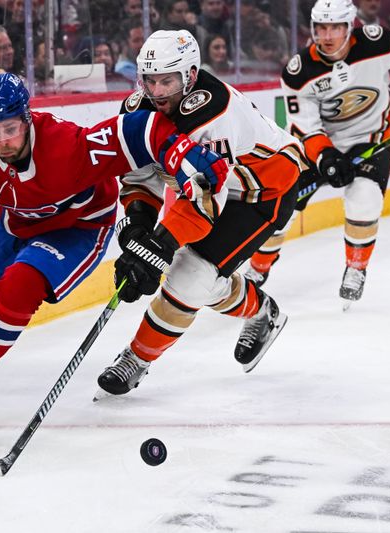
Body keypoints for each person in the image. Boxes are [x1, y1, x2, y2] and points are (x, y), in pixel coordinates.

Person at [0, 73, 232, 401]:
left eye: (10, 128)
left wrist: (186, 159)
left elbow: (138, 130)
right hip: (16, 216)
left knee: (21, 284)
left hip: (77, 228)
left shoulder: (68, 148)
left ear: (27, 119)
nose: (2, 141)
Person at [95, 29, 307, 397]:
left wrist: (156, 249)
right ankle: (261, 311)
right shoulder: (136, 109)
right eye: (150, 80)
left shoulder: (213, 114)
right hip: (210, 189)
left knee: (190, 273)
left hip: (263, 190)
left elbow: (204, 200)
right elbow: (141, 174)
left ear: (191, 75)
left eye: (168, 80)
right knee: (202, 279)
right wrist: (140, 224)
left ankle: (137, 357)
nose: (158, 91)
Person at [242, 0, 390, 306]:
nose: (328, 35)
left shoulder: (377, 42)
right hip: (313, 148)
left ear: (351, 26)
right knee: (282, 211)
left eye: (335, 27)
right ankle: (258, 269)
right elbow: (307, 128)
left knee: (365, 198)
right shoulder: (298, 73)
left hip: (369, 137)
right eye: (321, 27)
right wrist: (326, 158)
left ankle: (356, 267)